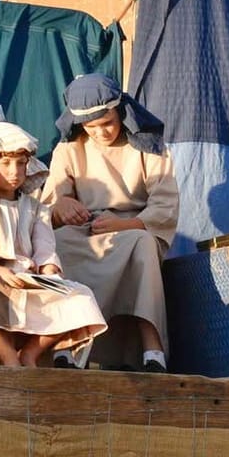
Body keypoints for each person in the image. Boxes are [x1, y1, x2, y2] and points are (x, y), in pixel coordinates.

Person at [45, 74, 179, 371]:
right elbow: (51, 204)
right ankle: (69, 344)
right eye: (90, 127)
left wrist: (125, 225)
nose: (100, 132)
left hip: (134, 227)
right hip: (86, 230)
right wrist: (62, 206)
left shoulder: (149, 146)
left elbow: (165, 205)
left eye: (106, 123)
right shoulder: (68, 148)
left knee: (142, 246)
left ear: (120, 112)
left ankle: (152, 350)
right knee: (58, 244)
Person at [0, 122, 105, 367]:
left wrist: (50, 274)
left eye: (21, 163)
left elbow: (45, 249)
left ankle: (30, 353)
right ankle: (8, 355)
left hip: (28, 278)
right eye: (6, 163)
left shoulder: (36, 208)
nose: (15, 171)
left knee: (81, 296)